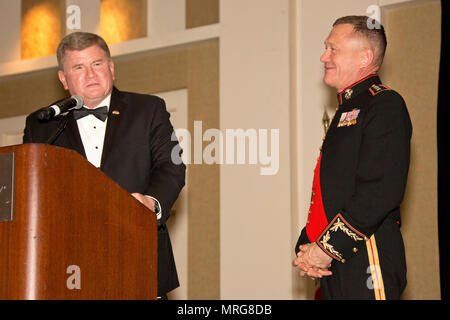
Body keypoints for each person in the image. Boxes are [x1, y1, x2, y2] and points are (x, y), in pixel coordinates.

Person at [23, 32, 186, 299]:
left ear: (111, 68)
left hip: (137, 261)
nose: (90, 75)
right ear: (63, 79)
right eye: (78, 67)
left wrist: (150, 204)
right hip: (66, 270)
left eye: (97, 64)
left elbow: (171, 166)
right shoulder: (41, 125)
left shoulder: (148, 109)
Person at [292, 16, 412, 300]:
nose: (324, 57)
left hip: (367, 256)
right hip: (337, 261)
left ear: (364, 57)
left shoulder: (384, 104)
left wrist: (325, 248)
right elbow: (334, 191)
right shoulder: (349, 108)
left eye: (333, 49)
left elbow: (380, 191)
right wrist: (309, 247)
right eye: (326, 48)